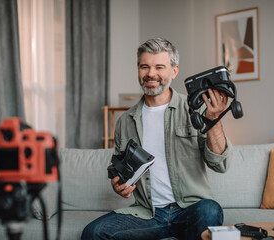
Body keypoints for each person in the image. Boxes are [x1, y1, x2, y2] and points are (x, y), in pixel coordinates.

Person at [82, 38, 233, 240]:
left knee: (210, 210)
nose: (151, 74)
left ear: (174, 71)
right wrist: (118, 185)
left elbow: (220, 164)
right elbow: (119, 170)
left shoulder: (194, 110)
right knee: (93, 233)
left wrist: (213, 121)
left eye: (159, 67)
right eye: (145, 66)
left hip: (190, 211)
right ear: (138, 69)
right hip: (147, 215)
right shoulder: (125, 121)